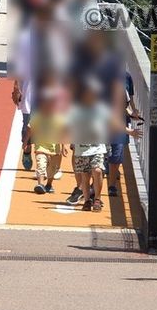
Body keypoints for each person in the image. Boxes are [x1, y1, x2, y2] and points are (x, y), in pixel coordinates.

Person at [67, 78, 110, 211]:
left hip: (97, 147)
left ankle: (97, 198)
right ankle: (86, 200)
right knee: (85, 176)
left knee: (97, 170)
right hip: (82, 148)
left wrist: (129, 131)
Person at [26, 77, 67, 193]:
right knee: (41, 165)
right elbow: (30, 128)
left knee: (52, 169)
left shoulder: (59, 117)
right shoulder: (39, 116)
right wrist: (26, 142)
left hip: (55, 148)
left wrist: (63, 146)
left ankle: (49, 184)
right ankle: (40, 184)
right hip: (41, 146)